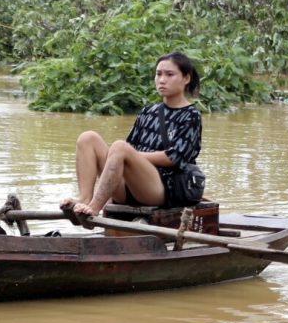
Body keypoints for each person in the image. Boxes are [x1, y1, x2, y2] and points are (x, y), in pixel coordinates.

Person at [60, 52, 203, 217]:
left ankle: (94, 208)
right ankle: (85, 198)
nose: (162, 80)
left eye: (169, 74)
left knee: (119, 147)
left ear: (186, 78)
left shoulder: (191, 115)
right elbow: (129, 148)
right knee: (88, 138)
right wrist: (127, 155)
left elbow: (174, 158)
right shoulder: (148, 112)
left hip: (162, 189)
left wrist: (134, 156)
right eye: (158, 74)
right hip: (130, 185)